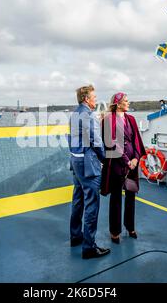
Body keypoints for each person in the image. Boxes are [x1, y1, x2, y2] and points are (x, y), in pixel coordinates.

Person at [68, 85, 111, 259]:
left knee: (78, 199)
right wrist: (105, 160)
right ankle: (89, 247)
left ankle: (76, 236)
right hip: (88, 164)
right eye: (94, 96)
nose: (95, 99)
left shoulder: (74, 114)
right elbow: (96, 142)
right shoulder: (89, 116)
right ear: (86, 98)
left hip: (76, 161)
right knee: (92, 204)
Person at [100, 92, 146, 244]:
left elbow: (137, 141)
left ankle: (130, 226)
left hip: (132, 164)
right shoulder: (108, 120)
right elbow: (112, 143)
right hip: (116, 164)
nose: (128, 102)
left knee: (131, 194)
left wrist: (136, 158)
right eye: (126, 101)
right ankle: (115, 231)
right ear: (118, 103)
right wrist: (127, 161)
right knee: (116, 198)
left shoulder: (131, 119)